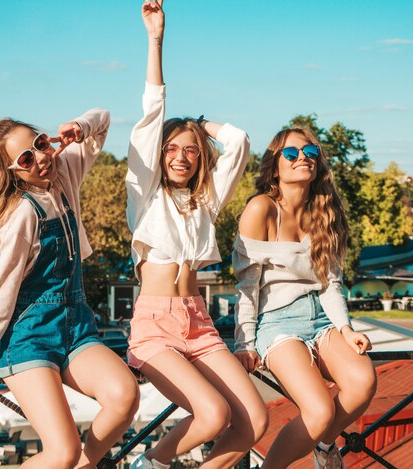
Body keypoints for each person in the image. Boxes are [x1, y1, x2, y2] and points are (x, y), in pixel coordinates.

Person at [0, 108, 139, 468]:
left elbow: (102, 123)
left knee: (125, 395)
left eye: (39, 144)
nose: (40, 158)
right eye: (26, 157)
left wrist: (78, 128)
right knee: (62, 452)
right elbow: (1, 298)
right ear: (12, 171)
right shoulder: (21, 216)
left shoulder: (64, 173)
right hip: (29, 338)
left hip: (77, 328)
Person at [125, 2, 268, 468]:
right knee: (211, 415)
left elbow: (241, 141)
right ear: (158, 154)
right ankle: (151, 463)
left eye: (190, 150)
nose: (181, 156)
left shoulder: (206, 200)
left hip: (199, 321)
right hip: (156, 326)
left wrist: (198, 124)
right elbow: (151, 112)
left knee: (254, 421)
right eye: (172, 148)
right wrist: (155, 40)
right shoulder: (144, 194)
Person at [233, 127, 377, 469]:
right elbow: (247, 286)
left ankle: (325, 446)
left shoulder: (325, 211)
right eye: (292, 154)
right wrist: (244, 344)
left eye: (311, 153)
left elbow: (330, 283)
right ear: (274, 166)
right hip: (278, 322)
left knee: (363, 382)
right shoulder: (260, 209)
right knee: (319, 409)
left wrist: (345, 329)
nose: (303, 159)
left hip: (321, 316)